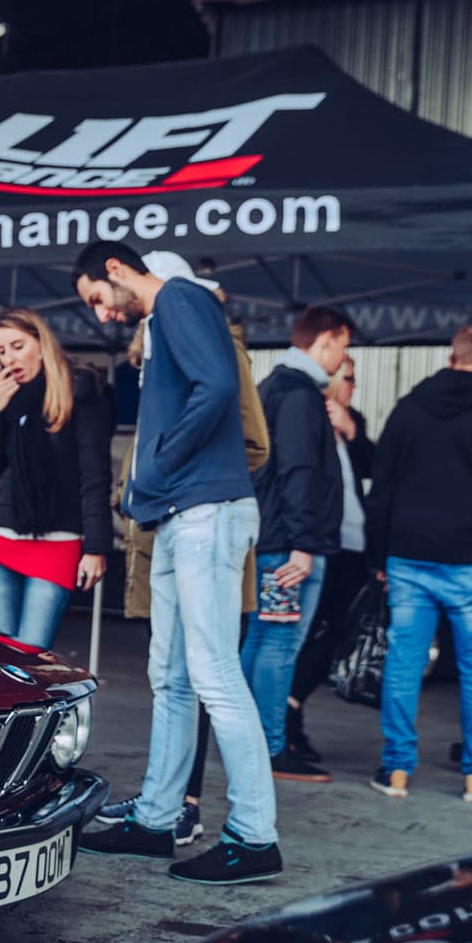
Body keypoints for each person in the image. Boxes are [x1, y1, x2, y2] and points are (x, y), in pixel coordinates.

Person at [71, 242, 281, 886]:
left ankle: (254, 836)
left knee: (214, 674)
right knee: (172, 675)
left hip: (204, 510)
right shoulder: (163, 319)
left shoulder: (181, 299)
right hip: (177, 513)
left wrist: (159, 464)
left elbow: (218, 386)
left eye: (97, 299)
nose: (102, 315)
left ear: (115, 270)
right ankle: (156, 819)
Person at [365, 322, 472, 804]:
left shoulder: (407, 411)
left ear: (450, 357)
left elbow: (381, 490)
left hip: (409, 557)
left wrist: (378, 556)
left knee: (404, 664)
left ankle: (397, 770)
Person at [244, 306, 354, 783]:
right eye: (343, 346)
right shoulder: (297, 393)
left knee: (261, 638)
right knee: (279, 642)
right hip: (290, 546)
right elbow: (298, 470)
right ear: (326, 339)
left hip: (273, 539)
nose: (342, 358)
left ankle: (248, 741)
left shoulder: (274, 386)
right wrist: (304, 544)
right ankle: (268, 747)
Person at [0, 309, 112, 649]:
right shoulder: (5, 395)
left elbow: (94, 474)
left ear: (41, 343)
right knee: (5, 656)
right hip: (4, 538)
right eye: (1, 351)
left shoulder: (78, 389)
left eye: (17, 346)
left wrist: (96, 547)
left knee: (31, 654)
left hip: (58, 541)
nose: (9, 359)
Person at [284, 354, 375, 760]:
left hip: (354, 544)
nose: (352, 387)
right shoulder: (304, 413)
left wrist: (352, 432)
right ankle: (285, 718)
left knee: (339, 633)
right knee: (299, 633)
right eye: (348, 378)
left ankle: (291, 707)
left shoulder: (354, 422)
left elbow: (377, 469)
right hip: (317, 542)